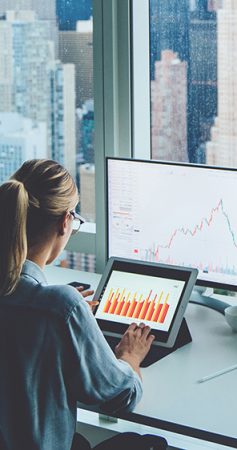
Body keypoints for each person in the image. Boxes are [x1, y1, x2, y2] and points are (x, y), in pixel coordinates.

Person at [0, 160, 163, 450]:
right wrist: (130, 358)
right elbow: (119, 398)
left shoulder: (56, 309)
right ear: (65, 221)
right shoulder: (62, 307)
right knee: (150, 443)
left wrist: (66, 322)